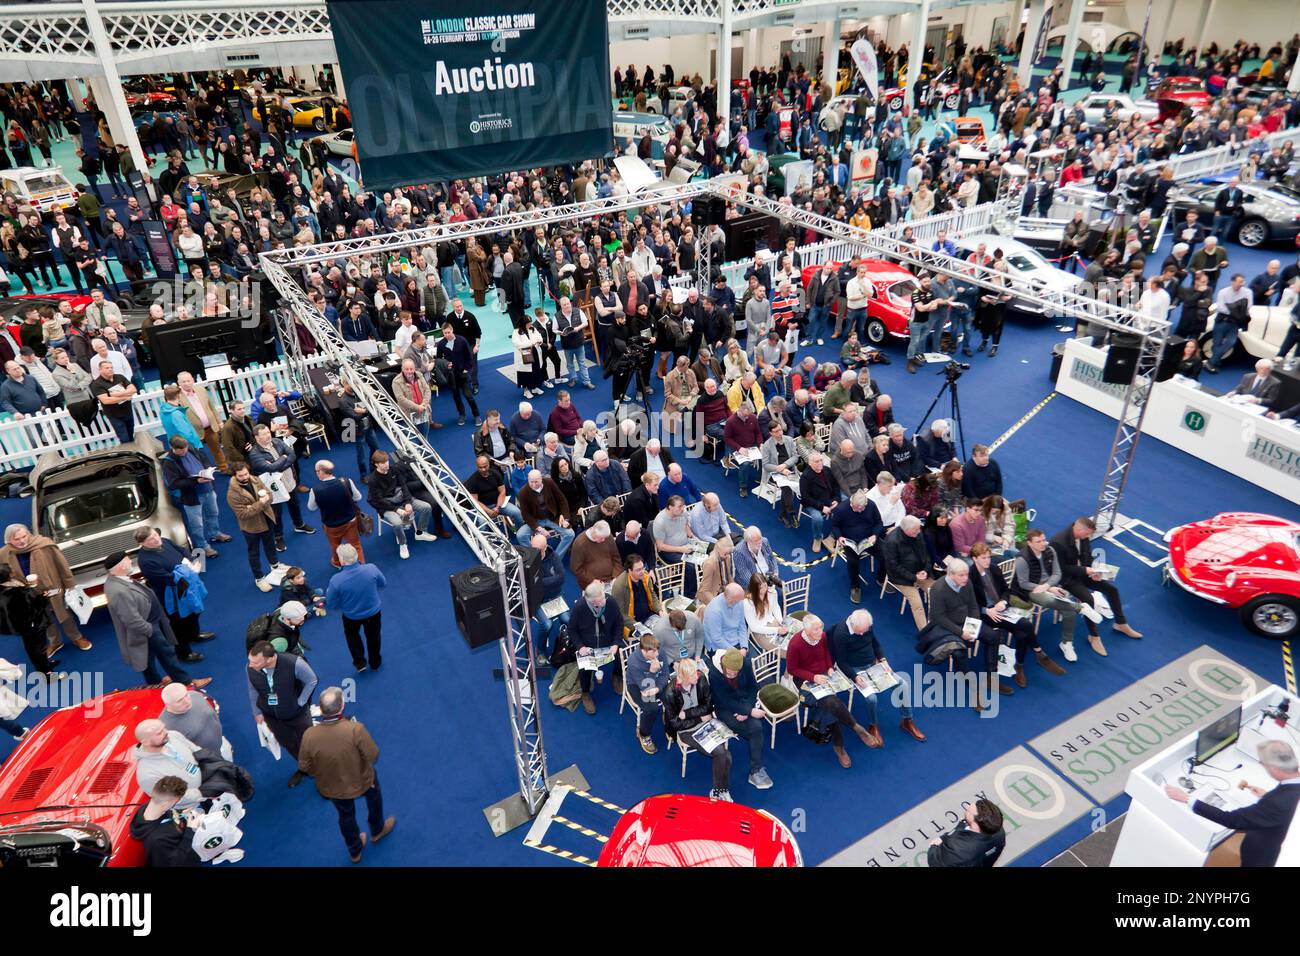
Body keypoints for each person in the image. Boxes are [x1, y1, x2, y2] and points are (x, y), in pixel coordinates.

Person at [1163, 739, 1300, 867]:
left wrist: (1187, 798)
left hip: (1261, 858)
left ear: (1274, 768)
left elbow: (1231, 819)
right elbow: (1287, 805)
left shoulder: (1277, 803)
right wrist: (1267, 796)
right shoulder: (1289, 790)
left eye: (1262, 763)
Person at [298, 686, 396, 863]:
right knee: (374, 799)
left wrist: (320, 773)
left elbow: (304, 766)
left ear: (320, 709)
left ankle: (355, 851)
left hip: (332, 787)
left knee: (345, 816)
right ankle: (377, 830)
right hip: (363, 780)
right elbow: (373, 755)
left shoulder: (309, 735)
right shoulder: (355, 729)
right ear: (342, 707)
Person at [785, 614, 882, 768]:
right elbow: (792, 669)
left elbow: (826, 654)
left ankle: (840, 747)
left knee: (830, 705)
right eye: (816, 629)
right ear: (806, 630)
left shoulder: (822, 636)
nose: (820, 632)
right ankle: (854, 731)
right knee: (831, 702)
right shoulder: (795, 644)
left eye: (821, 628)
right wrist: (813, 677)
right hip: (804, 683)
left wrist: (830, 667)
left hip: (824, 677)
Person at [104, 551, 208, 688]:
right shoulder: (118, 591)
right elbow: (131, 620)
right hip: (147, 627)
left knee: (148, 658)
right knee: (167, 654)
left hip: (148, 624)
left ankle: (155, 684)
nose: (131, 562)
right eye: (128, 560)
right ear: (121, 566)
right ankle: (187, 682)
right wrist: (150, 630)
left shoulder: (119, 580)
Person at [830, 609, 927, 743]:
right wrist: (854, 677)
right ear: (852, 624)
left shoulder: (866, 626)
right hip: (855, 669)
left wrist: (882, 660)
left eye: (865, 630)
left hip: (873, 665)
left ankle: (907, 720)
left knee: (902, 684)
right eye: (860, 631)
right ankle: (873, 726)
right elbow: (841, 661)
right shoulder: (840, 634)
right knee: (872, 698)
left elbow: (876, 645)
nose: (863, 633)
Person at [919, 559, 1004, 709]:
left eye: (966, 574)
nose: (965, 578)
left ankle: (991, 676)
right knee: (959, 652)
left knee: (993, 636)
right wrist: (961, 632)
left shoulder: (967, 583)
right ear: (950, 574)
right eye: (961, 575)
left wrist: (973, 625)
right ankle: (974, 690)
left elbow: (972, 605)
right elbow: (938, 618)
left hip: (967, 622)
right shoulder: (938, 589)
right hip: (948, 627)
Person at [1051, 516, 1143, 652]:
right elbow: (1060, 568)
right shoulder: (1058, 542)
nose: (1089, 536)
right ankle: (1094, 636)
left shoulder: (1083, 536)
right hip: (1068, 579)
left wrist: (1095, 570)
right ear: (1079, 529)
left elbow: (1087, 555)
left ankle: (1121, 623)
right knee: (1088, 599)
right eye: (1088, 534)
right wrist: (1085, 570)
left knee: (1112, 589)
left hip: (1084, 572)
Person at [1011, 528, 1103, 664]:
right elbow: (1023, 583)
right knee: (1048, 600)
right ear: (1029, 543)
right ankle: (1080, 607)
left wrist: (1049, 586)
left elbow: (1057, 574)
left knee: (1068, 610)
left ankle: (1066, 643)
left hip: (1049, 586)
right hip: (1029, 591)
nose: (1043, 543)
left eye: (1044, 539)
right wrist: (1042, 588)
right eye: (1039, 541)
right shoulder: (1022, 558)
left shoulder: (1050, 551)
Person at [0, 523, 90, 655]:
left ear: (28, 534)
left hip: (54, 587)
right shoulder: (4, 554)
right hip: (29, 593)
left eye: (24, 536)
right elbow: (5, 576)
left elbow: (62, 565)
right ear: (8, 540)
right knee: (42, 617)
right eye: (17, 539)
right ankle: (55, 642)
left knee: (64, 614)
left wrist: (70, 585)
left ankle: (76, 637)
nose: (22, 541)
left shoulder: (45, 544)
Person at [135, 527, 214, 664]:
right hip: (171, 593)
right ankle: (184, 653)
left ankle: (193, 635)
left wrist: (192, 561)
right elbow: (167, 578)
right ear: (142, 543)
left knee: (194, 611)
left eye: (155, 535)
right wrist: (189, 572)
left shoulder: (164, 541)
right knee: (178, 622)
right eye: (151, 539)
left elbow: (182, 551)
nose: (156, 539)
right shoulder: (145, 561)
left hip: (186, 584)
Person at [247, 639, 318, 787]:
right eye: (250, 661)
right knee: (289, 744)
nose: (251, 665)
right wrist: (257, 712)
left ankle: (322, 772)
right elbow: (253, 689)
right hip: (272, 717)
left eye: (255, 662)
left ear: (270, 658)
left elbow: (312, 680)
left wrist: (300, 702)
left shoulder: (294, 663)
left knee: (310, 743)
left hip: (298, 715)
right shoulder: (251, 667)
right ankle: (305, 769)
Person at [662, 657, 734, 802]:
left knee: (727, 757)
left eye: (696, 672)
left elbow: (708, 706)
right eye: (693, 674)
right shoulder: (670, 692)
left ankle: (720, 790)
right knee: (722, 754)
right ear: (683, 677)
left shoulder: (701, 679)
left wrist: (687, 714)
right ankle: (719, 791)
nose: (697, 675)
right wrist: (699, 718)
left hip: (704, 722)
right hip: (686, 731)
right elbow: (675, 724)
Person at [705, 648, 773, 790]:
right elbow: (723, 700)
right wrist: (748, 711)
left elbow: (753, 688)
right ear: (723, 664)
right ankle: (756, 750)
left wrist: (747, 710)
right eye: (729, 672)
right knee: (755, 732)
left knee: (757, 728)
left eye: (735, 673)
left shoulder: (746, 664)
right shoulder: (714, 673)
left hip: (744, 703)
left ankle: (756, 771)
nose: (731, 675)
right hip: (725, 709)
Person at [162, 435, 230, 559]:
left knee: (213, 513)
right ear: (172, 448)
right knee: (197, 524)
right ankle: (202, 546)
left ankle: (215, 533)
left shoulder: (191, 449)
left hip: (208, 489)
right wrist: (196, 481)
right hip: (191, 497)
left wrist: (208, 470)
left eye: (185, 448)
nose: (184, 451)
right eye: (180, 450)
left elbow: (205, 461)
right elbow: (173, 484)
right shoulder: (169, 462)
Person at [366, 450, 440, 560]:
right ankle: (403, 544)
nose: (387, 464)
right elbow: (375, 500)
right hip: (387, 506)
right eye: (383, 463)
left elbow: (403, 486)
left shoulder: (393, 470)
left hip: (402, 499)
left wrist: (407, 502)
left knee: (426, 507)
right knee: (397, 523)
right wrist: (396, 509)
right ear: (376, 464)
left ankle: (420, 532)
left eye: (387, 461)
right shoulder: (372, 480)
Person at [327, 544, 386, 673]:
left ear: (342, 561)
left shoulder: (336, 580)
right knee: (374, 637)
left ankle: (360, 663)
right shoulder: (371, 569)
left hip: (351, 616)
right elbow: (383, 583)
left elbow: (331, 604)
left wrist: (342, 605)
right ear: (356, 556)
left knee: (352, 637)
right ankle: (375, 663)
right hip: (373, 613)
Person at [569, 581, 625, 714]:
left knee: (620, 655)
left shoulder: (610, 602)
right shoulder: (579, 607)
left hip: (609, 641)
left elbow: (619, 623)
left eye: (603, 596)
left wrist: (616, 643)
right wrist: (580, 647)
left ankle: (616, 675)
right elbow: (572, 629)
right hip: (588, 645)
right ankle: (586, 693)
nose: (604, 600)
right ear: (593, 602)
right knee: (585, 669)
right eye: (600, 600)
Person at [307, 459, 366, 568]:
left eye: (316, 471)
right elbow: (358, 497)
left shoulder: (315, 490)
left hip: (332, 525)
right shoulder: (346, 481)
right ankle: (361, 566)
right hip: (350, 520)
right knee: (356, 545)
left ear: (321, 472)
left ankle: (337, 562)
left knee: (335, 546)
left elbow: (311, 507)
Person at [829, 489, 885, 604]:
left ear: (866, 504)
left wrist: (875, 535)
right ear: (851, 503)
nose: (859, 511)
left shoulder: (871, 505)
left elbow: (879, 523)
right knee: (853, 562)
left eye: (861, 509)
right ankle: (855, 586)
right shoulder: (841, 509)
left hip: (869, 539)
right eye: (856, 509)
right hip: (850, 542)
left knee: (886, 555)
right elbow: (835, 526)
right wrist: (840, 537)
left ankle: (881, 578)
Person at [881, 516, 935, 630]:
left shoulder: (917, 534)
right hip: (902, 578)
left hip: (920, 572)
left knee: (937, 591)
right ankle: (925, 632)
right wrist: (914, 577)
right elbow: (894, 567)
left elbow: (926, 554)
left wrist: (926, 569)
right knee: (918, 606)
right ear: (907, 530)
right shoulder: (891, 541)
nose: (919, 531)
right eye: (916, 529)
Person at [626, 631, 673, 753]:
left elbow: (665, 674)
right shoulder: (633, 662)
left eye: (658, 650)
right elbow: (645, 688)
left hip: (656, 683)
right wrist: (652, 671)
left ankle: (669, 723)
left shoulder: (658, 651)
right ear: (645, 651)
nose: (657, 654)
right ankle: (644, 734)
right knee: (651, 708)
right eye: (654, 652)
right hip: (637, 685)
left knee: (672, 698)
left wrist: (658, 688)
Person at [927, 798, 1006, 867]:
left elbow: (936, 863)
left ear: (975, 823)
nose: (967, 808)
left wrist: (933, 846)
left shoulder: (957, 852)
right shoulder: (998, 831)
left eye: (968, 811)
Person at [515, 468, 575, 558]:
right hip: (536, 520)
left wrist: (565, 517)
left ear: (541, 479)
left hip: (553, 517)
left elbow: (562, 500)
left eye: (536, 482)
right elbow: (526, 515)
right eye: (531, 482)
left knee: (570, 534)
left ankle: (556, 558)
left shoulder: (549, 483)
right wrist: (540, 529)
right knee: (520, 535)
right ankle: (535, 556)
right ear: (528, 480)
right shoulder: (523, 492)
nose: (533, 484)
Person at [159, 682, 224, 754]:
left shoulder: (194, 695)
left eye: (186, 695)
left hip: (221, 743)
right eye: (179, 700)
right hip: (208, 760)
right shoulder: (167, 728)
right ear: (168, 704)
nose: (187, 701)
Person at [89, 358, 137, 444]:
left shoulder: (120, 377)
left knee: (131, 435)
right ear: (100, 370)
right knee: (124, 439)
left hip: (127, 411)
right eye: (107, 368)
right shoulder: (96, 384)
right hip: (114, 415)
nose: (110, 369)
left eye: (111, 367)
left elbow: (133, 389)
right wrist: (125, 397)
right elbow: (106, 400)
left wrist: (118, 394)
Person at [703, 582, 749, 653]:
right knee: (739, 663)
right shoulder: (714, 611)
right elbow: (717, 639)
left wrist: (744, 647)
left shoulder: (739, 601)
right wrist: (735, 651)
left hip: (736, 639)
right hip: (718, 646)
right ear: (730, 599)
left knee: (749, 663)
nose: (740, 602)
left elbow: (742, 626)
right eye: (738, 600)